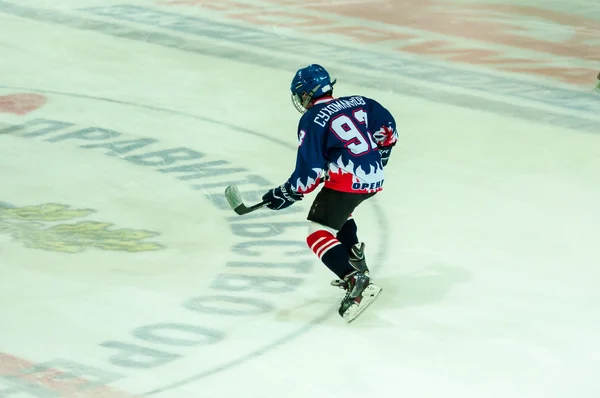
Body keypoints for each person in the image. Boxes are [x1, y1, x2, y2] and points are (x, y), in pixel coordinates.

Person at [262, 64, 398, 322]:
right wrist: (379, 157)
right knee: (339, 215)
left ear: (305, 95)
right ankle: (355, 259)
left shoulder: (311, 119)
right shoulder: (360, 101)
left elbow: (309, 172)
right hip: (374, 176)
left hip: (347, 181)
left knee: (318, 234)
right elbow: (388, 129)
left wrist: (287, 192)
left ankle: (355, 280)